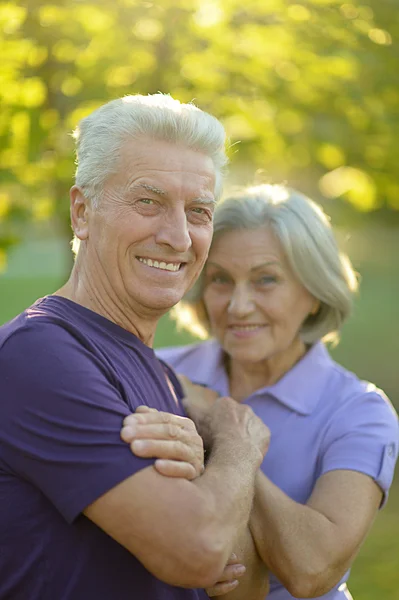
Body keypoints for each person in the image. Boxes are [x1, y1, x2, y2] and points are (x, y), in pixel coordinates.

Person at [0, 95, 270, 600]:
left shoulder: (161, 375)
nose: (178, 238)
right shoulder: (34, 356)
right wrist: (239, 444)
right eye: (148, 202)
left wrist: (208, 471)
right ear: (82, 212)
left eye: (198, 212)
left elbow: (247, 584)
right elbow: (198, 550)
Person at [122, 184, 399, 599]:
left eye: (265, 280)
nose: (238, 306)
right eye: (220, 280)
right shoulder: (159, 368)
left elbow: (312, 570)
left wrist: (233, 443)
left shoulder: (360, 412)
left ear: (314, 294)